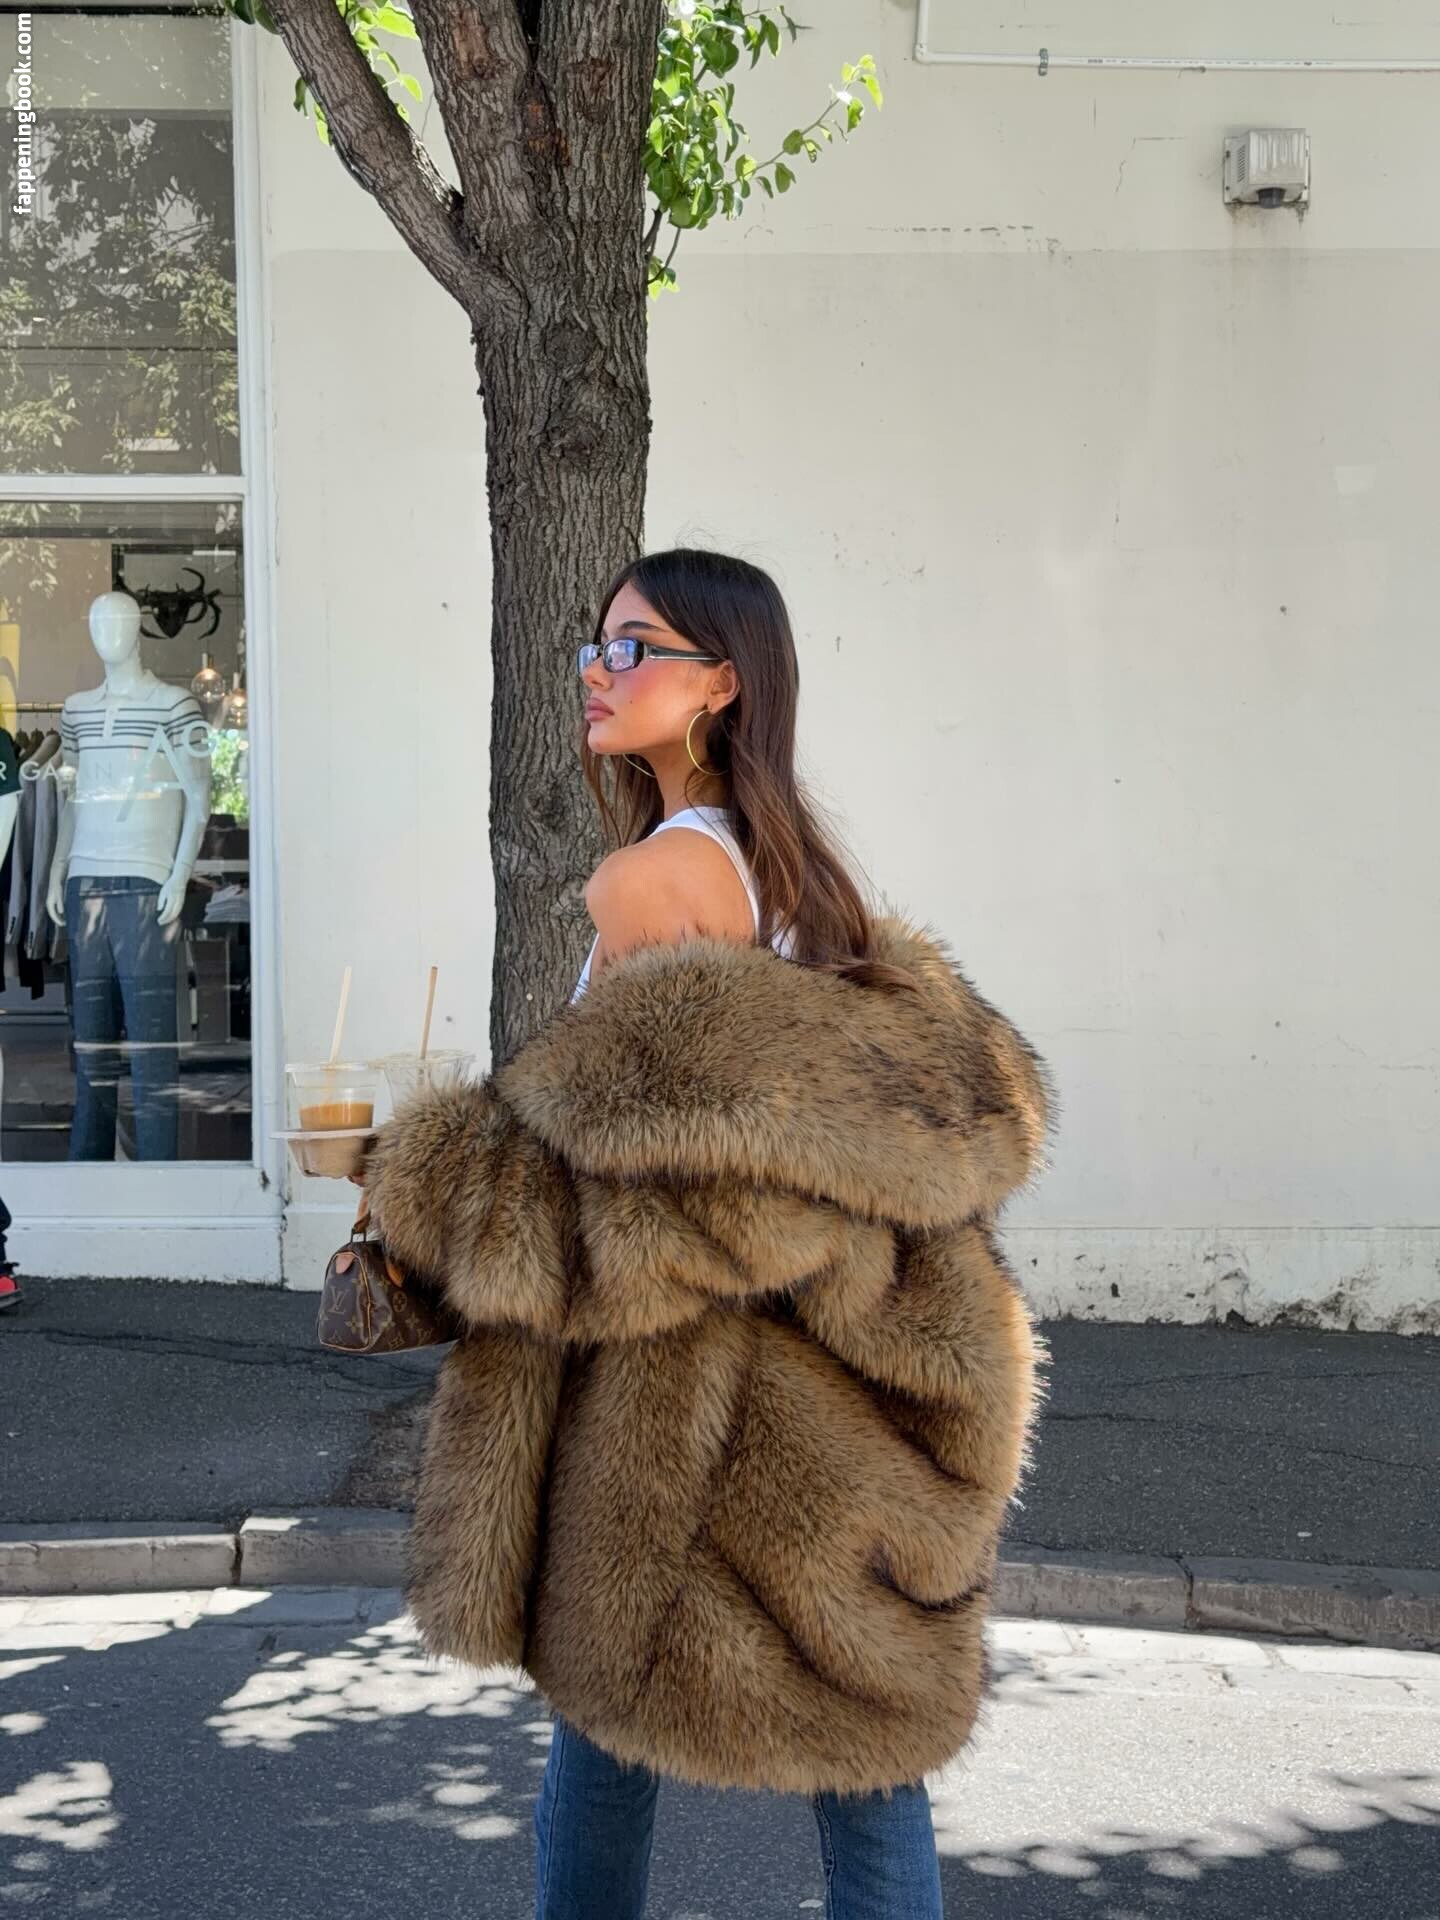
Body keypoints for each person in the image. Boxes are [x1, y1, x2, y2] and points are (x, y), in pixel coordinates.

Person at [353, 548, 1055, 1920]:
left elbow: (640, 1198)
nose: (597, 673)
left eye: (634, 649)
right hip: (831, 1391)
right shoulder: (804, 881)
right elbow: (780, 1152)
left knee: (605, 1733)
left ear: (720, 685)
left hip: (682, 1406)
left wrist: (421, 1181)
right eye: (594, 647)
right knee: (867, 1758)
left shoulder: (655, 881)